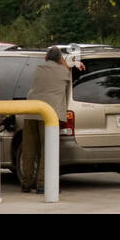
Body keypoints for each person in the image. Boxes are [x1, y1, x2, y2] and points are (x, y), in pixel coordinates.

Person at [21, 46, 78, 194]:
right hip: (49, 116)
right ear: (59, 59)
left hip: (31, 112)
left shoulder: (38, 69)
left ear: (46, 58)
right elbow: (67, 70)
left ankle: (26, 183)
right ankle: (42, 184)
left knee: (29, 150)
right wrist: (67, 62)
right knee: (47, 150)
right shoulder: (64, 72)